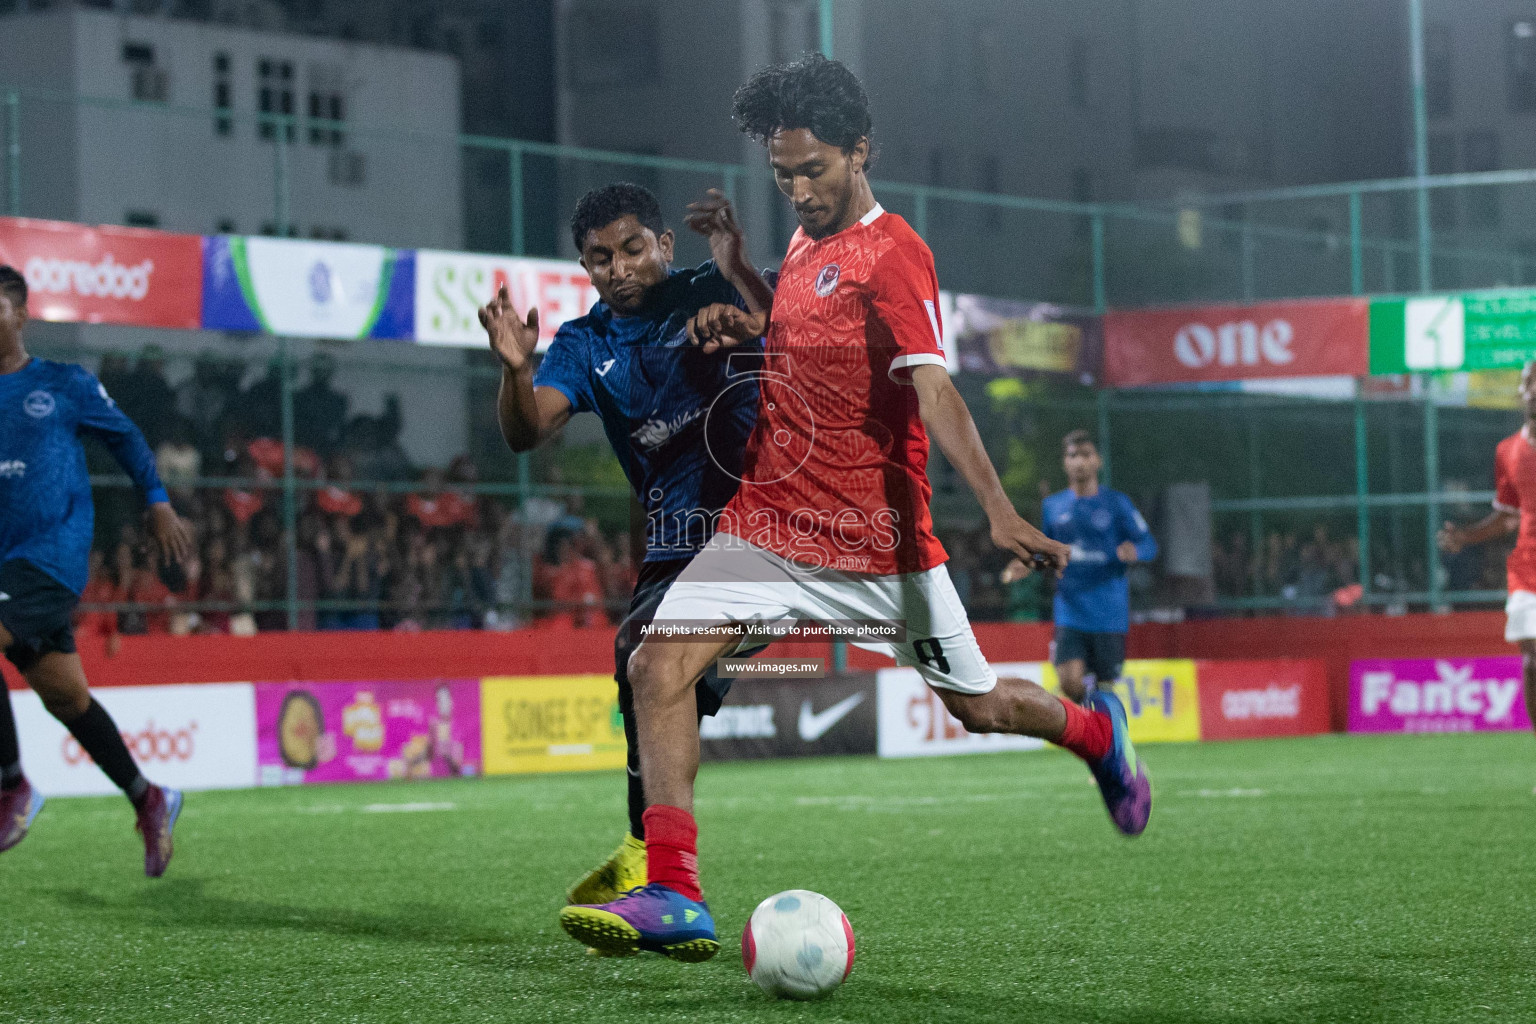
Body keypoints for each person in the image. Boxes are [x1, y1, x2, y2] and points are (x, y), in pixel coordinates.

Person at [557, 55, 1151, 962]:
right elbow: (798, 341)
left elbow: (935, 390)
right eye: (784, 173)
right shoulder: (800, 247)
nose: (798, 189)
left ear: (860, 150)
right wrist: (745, 303)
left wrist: (995, 509)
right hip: (769, 521)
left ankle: (1097, 733)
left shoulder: (894, 251)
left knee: (982, 706)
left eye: (814, 169)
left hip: (879, 546)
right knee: (655, 664)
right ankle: (674, 890)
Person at [480, 181, 771, 922]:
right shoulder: (583, 344)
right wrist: (516, 370)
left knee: (653, 663)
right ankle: (652, 858)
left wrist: (747, 316)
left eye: (632, 249)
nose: (618, 268)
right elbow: (524, 431)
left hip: (760, 526)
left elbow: (787, 330)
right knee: (639, 662)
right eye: (599, 257)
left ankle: (663, 871)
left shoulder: (712, 286)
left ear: (665, 246)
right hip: (675, 550)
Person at [0, 264, 193, 875]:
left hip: (50, 557)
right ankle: (148, 795)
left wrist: (157, 501)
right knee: (67, 698)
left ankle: (11, 785)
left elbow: (128, 440)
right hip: (4, 567)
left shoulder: (63, 383)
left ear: (21, 316)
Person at [1438, 359, 1536, 747]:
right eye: (1527, 383)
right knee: (1531, 661)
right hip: (1528, 568)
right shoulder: (1508, 451)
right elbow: (1507, 517)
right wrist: (1466, 536)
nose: (1531, 389)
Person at [1039, 430, 1159, 704]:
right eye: (1072, 455)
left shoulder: (1117, 504)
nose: (1079, 461)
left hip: (1109, 611)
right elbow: (1044, 549)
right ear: (1065, 463)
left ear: (1098, 461)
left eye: (1085, 454)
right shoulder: (1052, 507)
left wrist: (1135, 550)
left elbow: (1150, 544)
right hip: (1070, 611)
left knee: (1106, 691)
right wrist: (1038, 561)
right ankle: (1090, 717)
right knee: (1069, 681)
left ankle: (1108, 737)